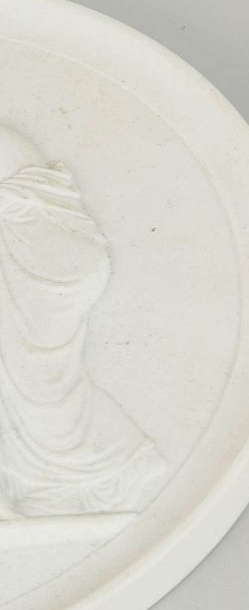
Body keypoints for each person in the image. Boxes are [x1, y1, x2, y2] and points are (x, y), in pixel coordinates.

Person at [0, 126, 166, 517]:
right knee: (38, 380)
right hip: (47, 256)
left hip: (42, 262)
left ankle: (118, 463)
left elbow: (28, 196)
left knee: (37, 382)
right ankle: (48, 481)